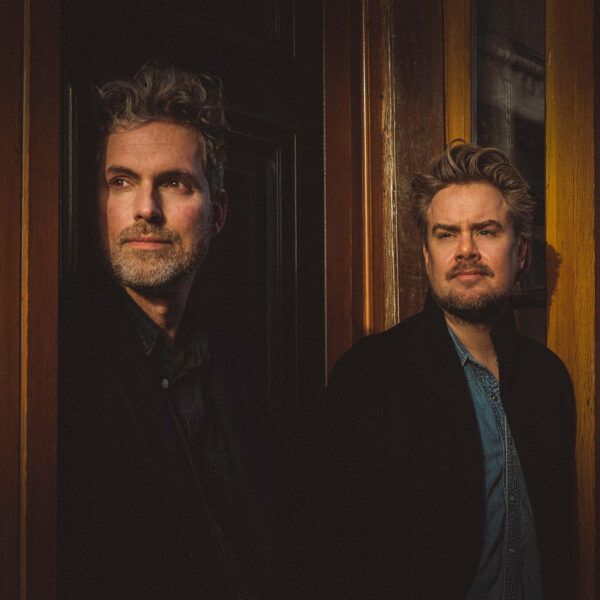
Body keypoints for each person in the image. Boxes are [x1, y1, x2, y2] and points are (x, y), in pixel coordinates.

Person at [317, 143, 577, 599]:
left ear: (520, 253)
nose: (465, 250)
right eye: (446, 234)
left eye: (486, 231)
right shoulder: (370, 374)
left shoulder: (549, 380)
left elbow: (560, 542)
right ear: (426, 255)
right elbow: (339, 553)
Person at [59, 64, 275, 600]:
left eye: (174, 183)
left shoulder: (242, 363)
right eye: (121, 182)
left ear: (217, 213)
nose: (146, 209)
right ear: (98, 206)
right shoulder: (53, 367)